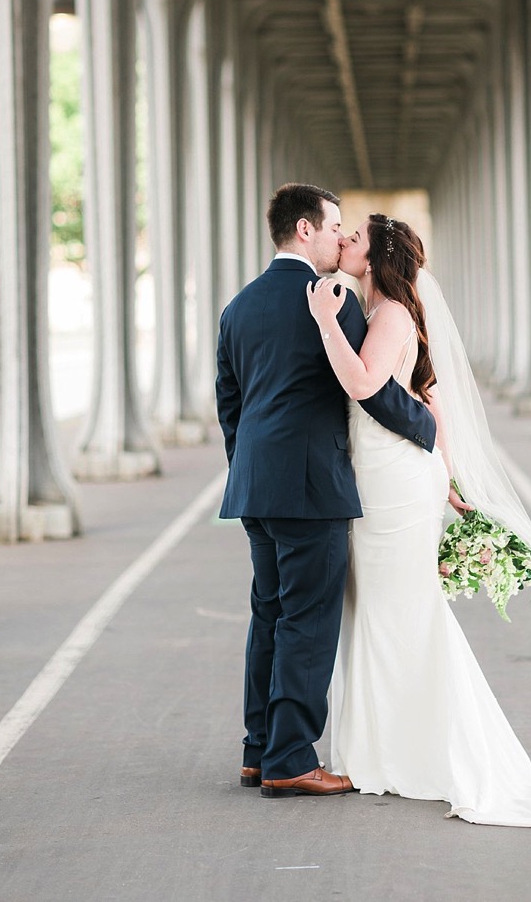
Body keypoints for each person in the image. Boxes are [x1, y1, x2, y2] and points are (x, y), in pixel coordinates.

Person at [306, 212, 531, 827]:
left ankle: (424, 751)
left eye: (353, 238)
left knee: (401, 613)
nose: (342, 242)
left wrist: (323, 323)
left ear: (373, 259)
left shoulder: (391, 314)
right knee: (377, 612)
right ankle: (384, 748)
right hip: (391, 476)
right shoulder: (384, 314)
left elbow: (368, 385)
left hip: (392, 485)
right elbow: (430, 395)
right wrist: (448, 474)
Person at [217, 183, 437, 798]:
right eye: (336, 226)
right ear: (306, 230)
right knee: (309, 621)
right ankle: (291, 759)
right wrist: (427, 426)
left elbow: (229, 403)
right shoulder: (333, 299)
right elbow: (368, 391)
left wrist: (250, 468)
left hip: (256, 488)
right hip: (312, 487)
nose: (343, 238)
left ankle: (258, 750)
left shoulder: (237, 307)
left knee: (270, 613)